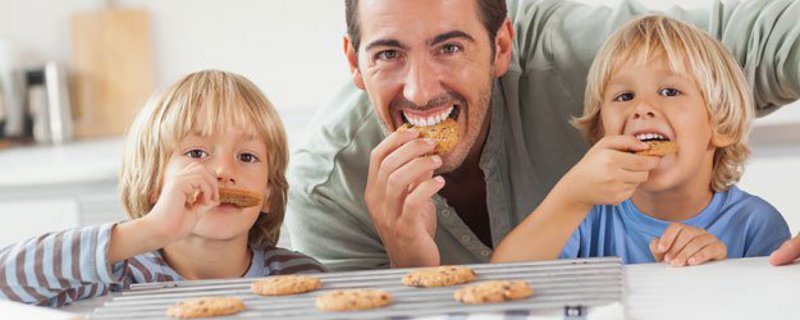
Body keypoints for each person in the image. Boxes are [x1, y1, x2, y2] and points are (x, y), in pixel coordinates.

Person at [287, 0, 800, 270]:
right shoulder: (325, 189)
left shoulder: (586, 57)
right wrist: (406, 258)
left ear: (502, 44)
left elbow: (776, 36)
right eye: (388, 53)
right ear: (354, 62)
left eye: (449, 48)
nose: (421, 92)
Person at [0, 70, 325, 307]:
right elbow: (5, 281)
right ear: (155, 184)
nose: (224, 171)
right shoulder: (120, 275)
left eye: (247, 156)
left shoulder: (298, 277)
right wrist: (149, 230)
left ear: (268, 193)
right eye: (196, 153)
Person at [490, 16, 790, 266]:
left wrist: (721, 274)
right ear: (601, 134)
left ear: (720, 123)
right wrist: (571, 197)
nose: (641, 107)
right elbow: (504, 282)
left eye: (670, 91)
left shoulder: (756, 225)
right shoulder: (584, 216)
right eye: (624, 96)